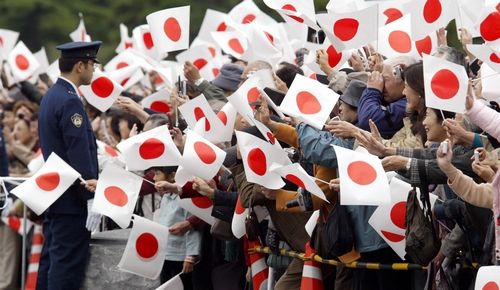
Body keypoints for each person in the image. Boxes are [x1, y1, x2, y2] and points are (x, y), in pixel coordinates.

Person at [36, 41, 102, 290]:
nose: (93, 70)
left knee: (52, 262)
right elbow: (77, 150)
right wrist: (89, 194)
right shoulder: (70, 100)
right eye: (92, 64)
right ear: (79, 65)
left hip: (56, 193)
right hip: (71, 199)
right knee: (66, 267)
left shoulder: (52, 95)